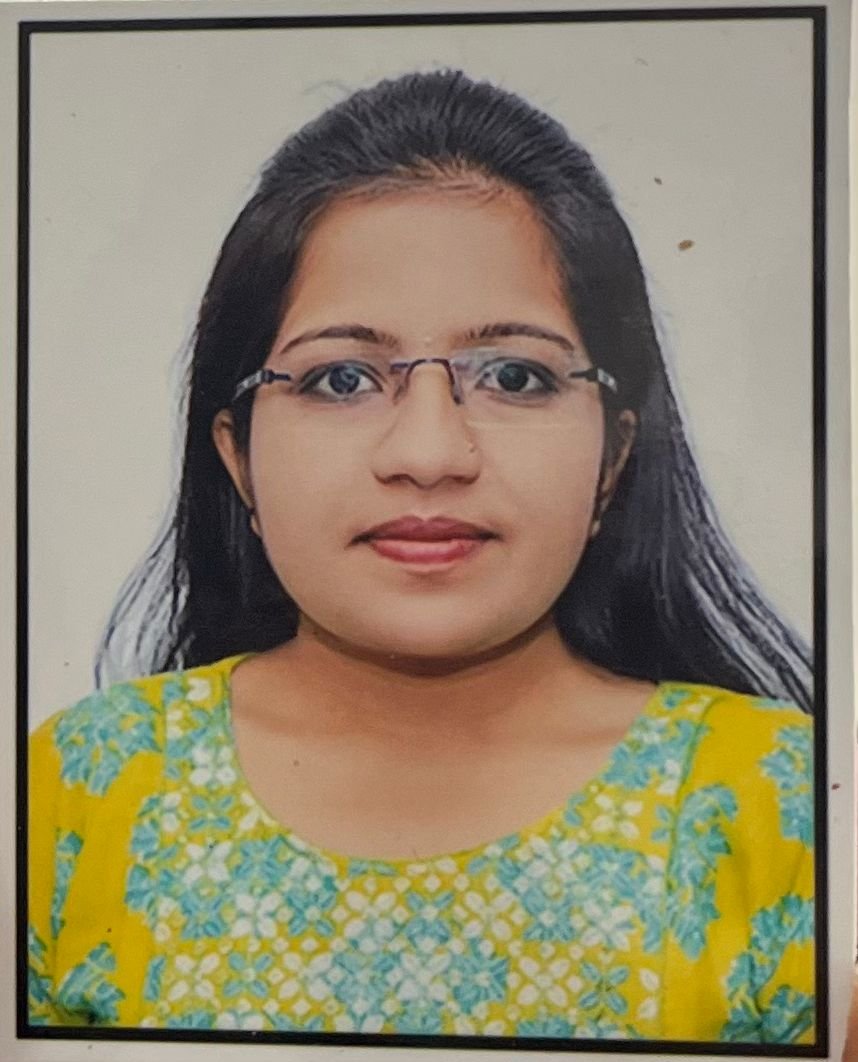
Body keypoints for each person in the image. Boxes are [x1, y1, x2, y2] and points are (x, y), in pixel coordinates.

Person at [28, 69, 815, 1042]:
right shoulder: (81, 791)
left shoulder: (784, 804)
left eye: (515, 376)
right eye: (342, 378)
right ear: (238, 457)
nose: (431, 454)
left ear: (613, 456)